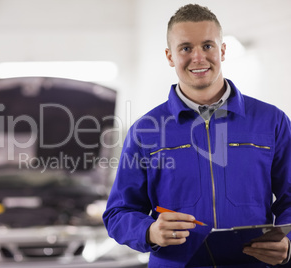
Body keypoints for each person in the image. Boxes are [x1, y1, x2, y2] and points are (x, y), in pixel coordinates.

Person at [102, 4, 291, 267]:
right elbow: (118, 212)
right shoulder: (145, 131)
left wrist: (288, 242)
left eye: (207, 46)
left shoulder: (272, 121)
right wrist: (149, 231)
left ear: (222, 50)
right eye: (186, 48)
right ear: (170, 56)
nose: (198, 58)